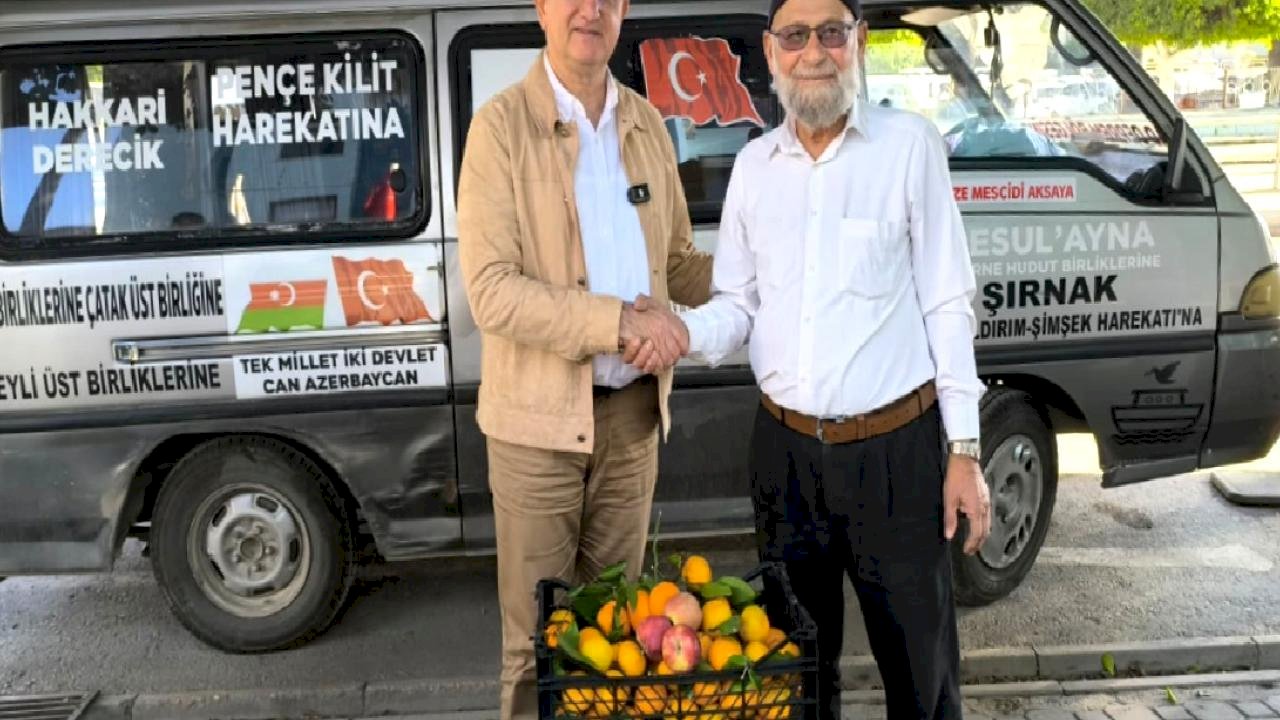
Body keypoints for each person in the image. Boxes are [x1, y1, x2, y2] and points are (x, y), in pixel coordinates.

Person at [640, 0, 992, 717]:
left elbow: (947, 303)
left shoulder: (909, 147)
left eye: (831, 33)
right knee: (796, 677)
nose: (814, 52)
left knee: (922, 678)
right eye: (795, 36)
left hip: (896, 458)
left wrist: (964, 450)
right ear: (771, 51)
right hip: (786, 459)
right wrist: (679, 330)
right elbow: (738, 307)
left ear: (859, 41)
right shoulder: (754, 168)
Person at [455, 0, 711, 717]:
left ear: (624, 10)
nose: (589, 9)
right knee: (538, 643)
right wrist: (616, 323)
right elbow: (492, 292)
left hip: (632, 423)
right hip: (535, 429)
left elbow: (678, 263)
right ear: (542, 7)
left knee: (621, 631)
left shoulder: (647, 123)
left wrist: (772, 274)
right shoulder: (499, 127)